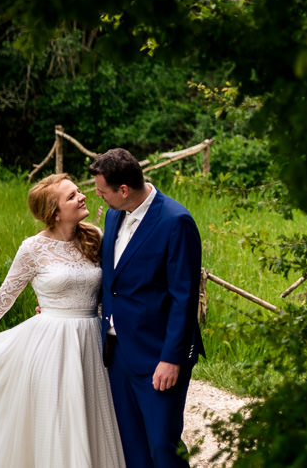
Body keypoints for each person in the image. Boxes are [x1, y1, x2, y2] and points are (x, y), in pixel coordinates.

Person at [0, 173, 126, 468]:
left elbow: (109, 292)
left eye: (78, 192)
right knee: (60, 421)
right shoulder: (32, 248)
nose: (82, 197)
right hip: (52, 346)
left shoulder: (95, 237)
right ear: (53, 213)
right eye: (71, 196)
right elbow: (4, 298)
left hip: (91, 343)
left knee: (92, 418)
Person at [90, 147, 205, 468]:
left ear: (123, 189)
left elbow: (185, 296)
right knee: (132, 445)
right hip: (117, 351)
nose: (99, 198)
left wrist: (171, 358)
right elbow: (113, 279)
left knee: (161, 444)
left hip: (158, 354)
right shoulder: (114, 214)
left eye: (102, 192)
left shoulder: (175, 221)